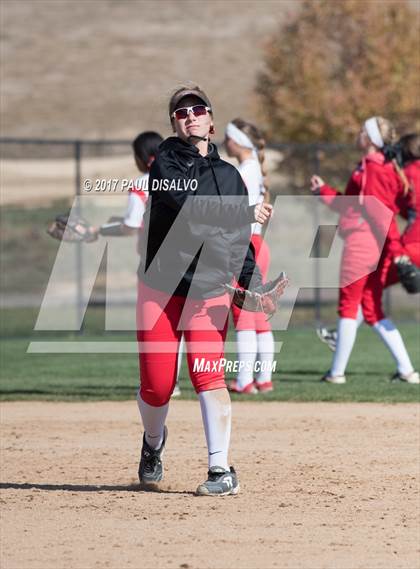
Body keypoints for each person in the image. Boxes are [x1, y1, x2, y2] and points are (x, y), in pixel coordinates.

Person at [136, 85, 274, 496]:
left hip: (209, 287)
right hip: (161, 288)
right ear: (174, 123)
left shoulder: (230, 176)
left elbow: (239, 238)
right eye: (181, 112)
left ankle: (220, 471)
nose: (190, 115)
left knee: (208, 374)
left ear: (211, 120)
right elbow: (187, 206)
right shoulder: (164, 164)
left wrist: (253, 285)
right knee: (158, 386)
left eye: (198, 109)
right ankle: (153, 444)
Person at [311, 117, 419, 384]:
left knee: (349, 306)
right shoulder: (369, 165)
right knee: (370, 309)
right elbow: (351, 204)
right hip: (369, 239)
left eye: (363, 131)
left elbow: (380, 213)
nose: (358, 134)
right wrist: (323, 190)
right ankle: (407, 371)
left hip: (364, 241)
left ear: (371, 139)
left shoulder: (374, 166)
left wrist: (396, 249)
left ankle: (336, 373)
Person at [224, 118, 275, 394]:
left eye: (228, 138)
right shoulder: (254, 168)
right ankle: (263, 379)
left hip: (244, 244)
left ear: (237, 142)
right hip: (258, 243)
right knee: (257, 314)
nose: (224, 142)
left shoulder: (243, 171)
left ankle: (244, 381)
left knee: (243, 312)